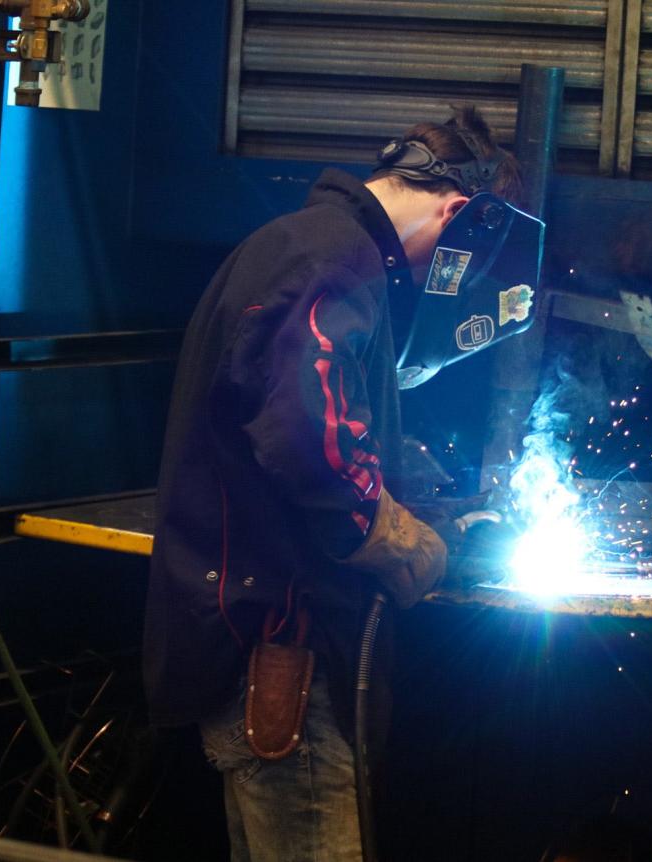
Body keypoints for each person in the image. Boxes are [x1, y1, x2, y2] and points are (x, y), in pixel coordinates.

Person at [142, 106, 523, 861]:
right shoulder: (330, 258)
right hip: (287, 654)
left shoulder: (315, 249)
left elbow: (306, 407)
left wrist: (403, 468)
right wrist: (393, 535)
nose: (435, 279)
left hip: (274, 646)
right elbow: (306, 442)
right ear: (458, 212)